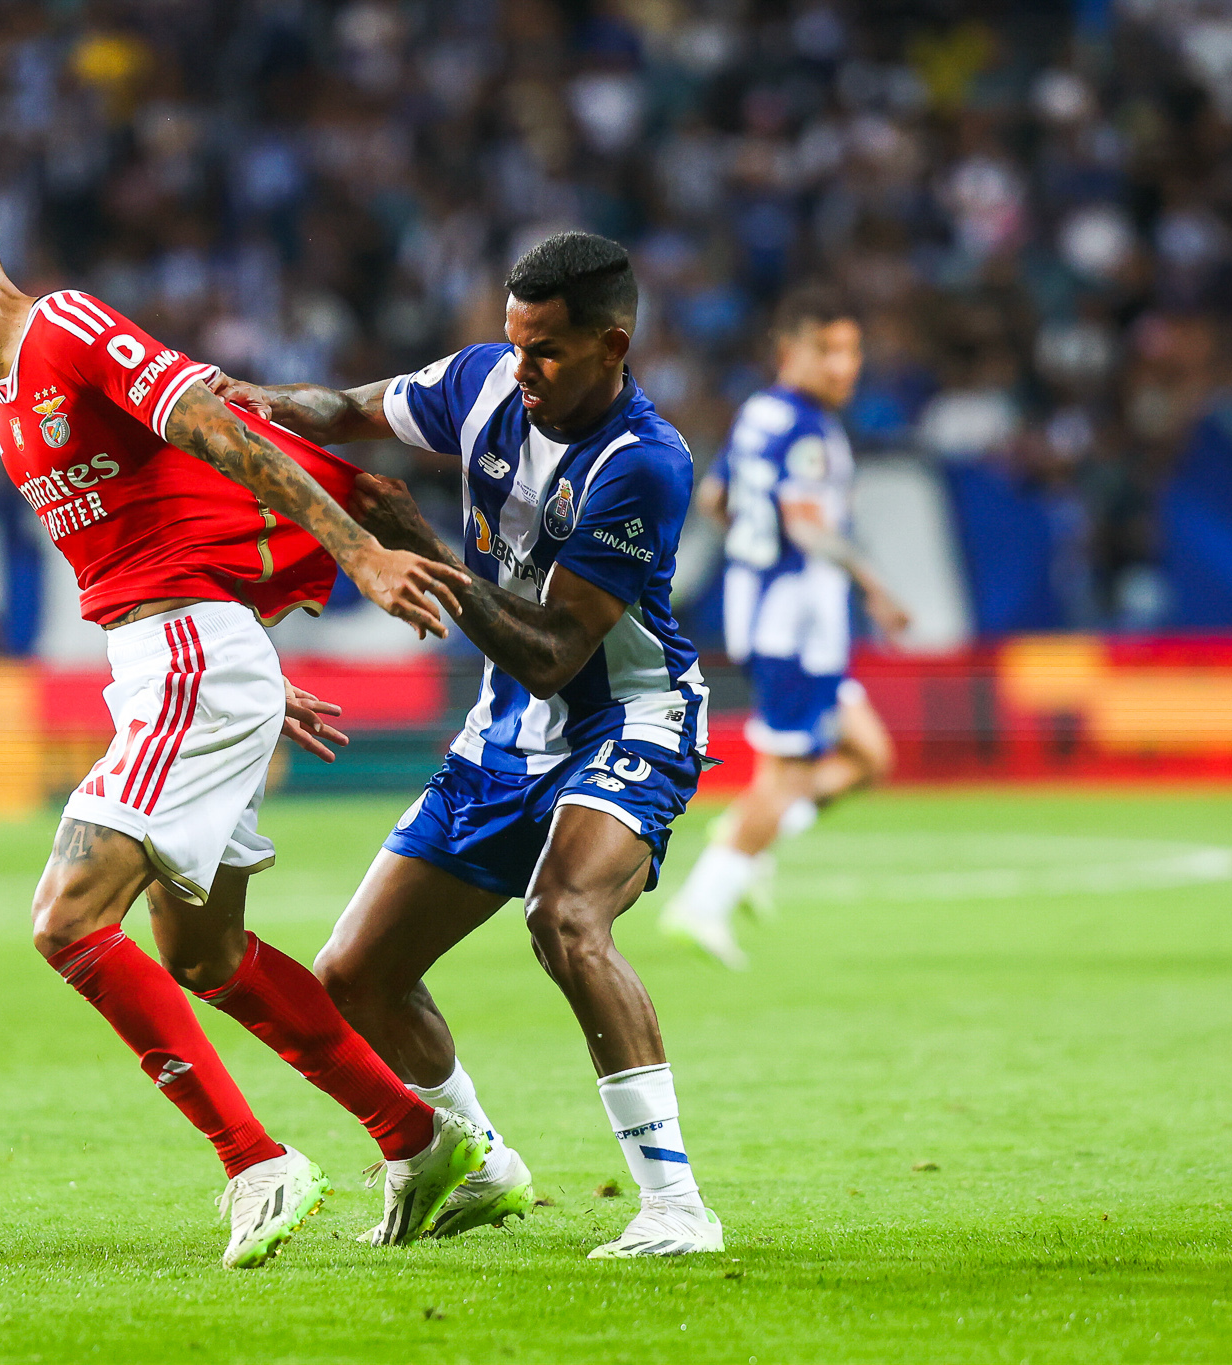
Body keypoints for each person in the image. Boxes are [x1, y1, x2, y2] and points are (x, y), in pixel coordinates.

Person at [0, 182, 488, 1269]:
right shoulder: (10, 402)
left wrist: (351, 550)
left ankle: (255, 1161)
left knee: (65, 920)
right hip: (182, 662)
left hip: (187, 662)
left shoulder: (65, 327)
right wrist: (252, 681)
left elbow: (209, 426)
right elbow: (154, 537)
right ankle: (421, 1137)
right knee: (204, 955)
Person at [212, 232, 725, 1258]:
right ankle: (480, 1159)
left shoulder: (642, 465)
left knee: (563, 916)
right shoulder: (486, 381)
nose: (520, 369)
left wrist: (423, 556)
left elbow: (552, 650)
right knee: (354, 973)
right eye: (512, 342)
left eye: (546, 352)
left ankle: (674, 1206)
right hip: (503, 736)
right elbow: (352, 407)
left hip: (628, 720)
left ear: (610, 344)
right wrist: (261, 403)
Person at [659, 286, 910, 970]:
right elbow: (805, 523)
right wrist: (875, 587)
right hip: (798, 622)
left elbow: (716, 499)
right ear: (788, 351)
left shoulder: (759, 415)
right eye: (826, 350)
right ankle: (705, 899)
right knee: (789, 773)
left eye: (851, 350)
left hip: (777, 612)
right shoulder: (802, 426)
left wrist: (752, 558)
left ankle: (749, 833)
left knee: (869, 758)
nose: (842, 366)